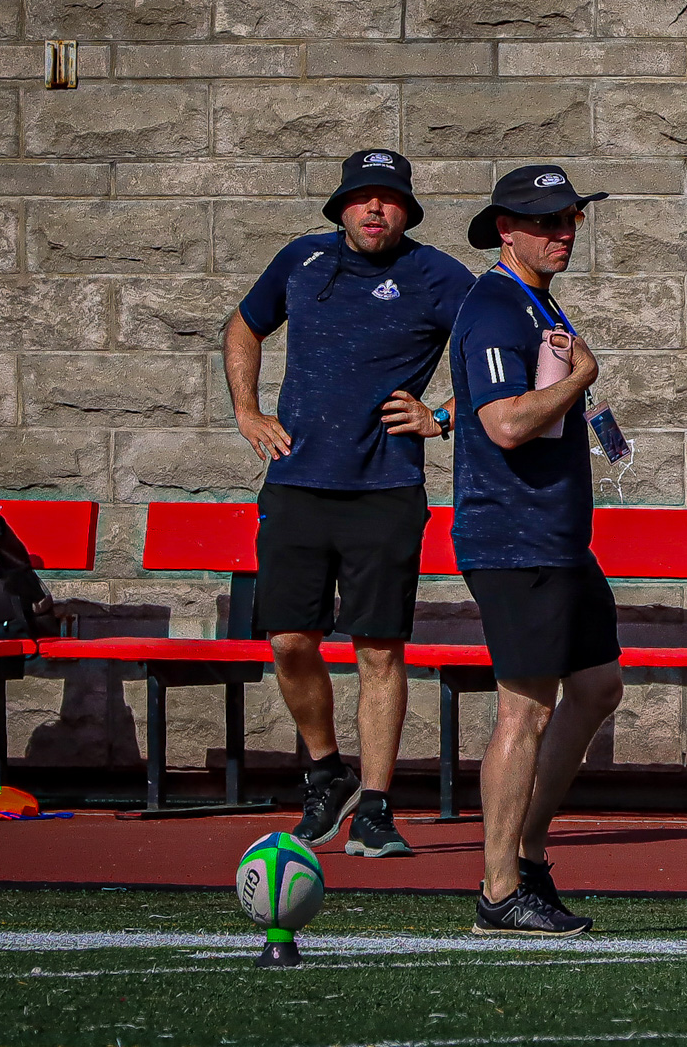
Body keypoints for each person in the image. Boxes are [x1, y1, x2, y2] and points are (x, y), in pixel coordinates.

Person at [224, 149, 474, 858]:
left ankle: (376, 806)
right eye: (362, 198)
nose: (375, 210)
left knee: (377, 651)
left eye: (389, 200)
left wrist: (444, 418)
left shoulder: (436, 277)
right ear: (340, 207)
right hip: (298, 483)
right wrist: (246, 411)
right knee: (290, 640)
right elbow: (243, 327)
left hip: (385, 491)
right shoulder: (301, 261)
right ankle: (325, 772)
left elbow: (504, 350)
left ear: (407, 211)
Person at [450, 165, 624, 937]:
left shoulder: (534, 301)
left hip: (558, 537)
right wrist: (583, 374)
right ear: (505, 231)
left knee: (597, 687)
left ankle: (527, 855)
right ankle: (498, 889)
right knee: (525, 708)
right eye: (546, 221)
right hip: (514, 537)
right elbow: (505, 424)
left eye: (570, 219)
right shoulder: (493, 306)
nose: (562, 232)